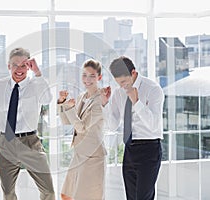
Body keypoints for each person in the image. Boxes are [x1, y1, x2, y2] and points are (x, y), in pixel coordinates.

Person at [0, 47, 55, 200]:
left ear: (29, 66)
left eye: (24, 65)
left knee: (48, 191)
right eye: (15, 65)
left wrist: (38, 73)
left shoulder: (36, 84)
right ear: (8, 66)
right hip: (6, 142)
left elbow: (47, 99)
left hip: (30, 142)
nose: (19, 69)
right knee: (8, 193)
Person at [101, 56, 164, 200]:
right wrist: (104, 105)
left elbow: (154, 126)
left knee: (143, 197)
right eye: (118, 83)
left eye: (124, 81)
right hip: (129, 150)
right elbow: (113, 125)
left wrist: (136, 102)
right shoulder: (118, 93)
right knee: (131, 197)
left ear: (133, 73)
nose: (122, 86)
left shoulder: (153, 89)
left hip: (149, 149)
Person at [57, 59, 107, 200]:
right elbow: (67, 121)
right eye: (84, 75)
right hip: (79, 153)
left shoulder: (100, 100)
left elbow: (82, 127)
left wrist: (69, 108)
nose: (87, 79)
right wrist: (62, 103)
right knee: (66, 194)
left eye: (92, 76)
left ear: (99, 77)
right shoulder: (82, 97)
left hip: (92, 156)